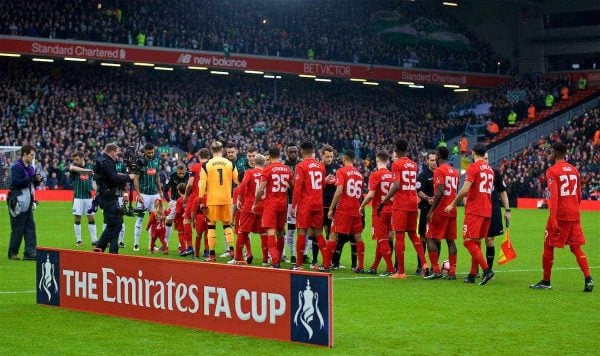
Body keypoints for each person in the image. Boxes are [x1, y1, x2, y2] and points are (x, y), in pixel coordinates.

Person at [530, 142, 594, 292]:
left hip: (560, 214)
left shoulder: (552, 171)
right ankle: (588, 278)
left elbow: (554, 197)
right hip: (574, 213)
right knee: (576, 247)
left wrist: (553, 218)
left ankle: (546, 281)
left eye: (551, 151)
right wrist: (575, 210)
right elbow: (579, 195)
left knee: (548, 245)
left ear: (555, 153)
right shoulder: (574, 170)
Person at [445, 143, 495, 285]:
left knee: (467, 241)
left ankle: (486, 270)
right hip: (487, 210)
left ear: (473, 152)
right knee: (477, 241)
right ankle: (472, 274)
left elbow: (465, 189)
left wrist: (452, 203)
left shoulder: (473, 167)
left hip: (475, 209)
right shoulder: (490, 170)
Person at [379, 139, 429, 279]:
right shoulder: (413, 164)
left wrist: (385, 199)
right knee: (413, 235)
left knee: (399, 236)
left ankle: (400, 272)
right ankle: (424, 264)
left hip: (401, 204)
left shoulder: (397, 164)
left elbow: (396, 185)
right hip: (413, 202)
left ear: (396, 150)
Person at [322, 150, 365, 273]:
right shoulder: (359, 174)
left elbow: (340, 191)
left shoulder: (341, 171)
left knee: (333, 234)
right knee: (358, 236)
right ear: (353, 160)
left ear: (344, 159)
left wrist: (331, 208)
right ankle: (360, 266)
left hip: (344, 209)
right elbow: (360, 194)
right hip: (356, 208)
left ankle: (326, 265)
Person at [290, 141, 328, 270]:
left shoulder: (300, 166)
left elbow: (297, 188)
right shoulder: (321, 166)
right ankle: (326, 264)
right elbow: (323, 185)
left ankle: (299, 264)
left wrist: (294, 206)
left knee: (301, 231)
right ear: (313, 151)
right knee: (318, 232)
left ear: (301, 151)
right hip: (318, 203)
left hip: (305, 204)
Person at [253, 146, 293, 268]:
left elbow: (261, 189)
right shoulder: (287, 169)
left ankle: (275, 261)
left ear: (269, 157)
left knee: (271, 232)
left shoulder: (268, 169)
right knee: (280, 232)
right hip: (283, 204)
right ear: (280, 155)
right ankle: (279, 258)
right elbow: (293, 187)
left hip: (271, 204)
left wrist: (255, 202)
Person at [199, 141, 239, 261]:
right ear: (222, 150)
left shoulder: (206, 165)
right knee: (227, 225)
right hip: (227, 199)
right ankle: (232, 250)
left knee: (211, 227)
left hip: (212, 199)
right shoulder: (230, 163)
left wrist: (201, 199)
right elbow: (237, 180)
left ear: (212, 150)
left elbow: (202, 185)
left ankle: (212, 255)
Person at [94, 143, 135, 254]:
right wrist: (127, 177)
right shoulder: (106, 162)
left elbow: (108, 177)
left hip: (105, 195)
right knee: (115, 224)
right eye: (117, 153)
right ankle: (101, 247)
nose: (117, 156)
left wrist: (119, 176)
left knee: (115, 223)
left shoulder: (101, 160)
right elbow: (113, 178)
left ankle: (110, 250)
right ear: (112, 152)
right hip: (109, 197)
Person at [424, 146, 459, 280]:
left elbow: (440, 191)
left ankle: (436, 270)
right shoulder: (455, 172)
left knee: (430, 237)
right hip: (452, 209)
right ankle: (452, 272)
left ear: (438, 156)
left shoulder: (439, 170)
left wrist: (431, 211)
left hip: (441, 210)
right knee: (450, 241)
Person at [359, 150, 395, 277]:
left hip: (379, 211)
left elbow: (371, 194)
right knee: (384, 239)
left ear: (377, 160)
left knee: (382, 239)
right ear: (388, 161)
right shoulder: (392, 175)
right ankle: (374, 266)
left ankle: (391, 269)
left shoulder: (375, 174)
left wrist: (362, 205)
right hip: (392, 210)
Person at [8, 145, 42, 260]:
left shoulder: (31, 168)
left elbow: (31, 185)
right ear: (25, 154)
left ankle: (30, 252)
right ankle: (13, 253)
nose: (33, 157)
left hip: (27, 203)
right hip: (17, 202)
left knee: (30, 228)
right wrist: (30, 178)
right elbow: (16, 183)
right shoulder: (17, 167)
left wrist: (37, 181)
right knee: (18, 228)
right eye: (31, 155)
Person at [234, 154, 268, 265]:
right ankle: (265, 260)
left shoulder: (249, 172)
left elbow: (243, 184)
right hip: (263, 207)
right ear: (264, 163)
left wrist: (239, 198)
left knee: (243, 231)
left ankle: (238, 258)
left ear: (254, 162)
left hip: (249, 206)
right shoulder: (267, 173)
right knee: (264, 234)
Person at [133, 143, 164, 251]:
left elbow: (157, 176)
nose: (151, 154)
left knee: (154, 220)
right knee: (140, 219)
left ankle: (152, 244)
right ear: (144, 151)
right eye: (149, 152)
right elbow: (136, 178)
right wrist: (138, 194)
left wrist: (160, 190)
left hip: (155, 194)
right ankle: (136, 244)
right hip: (144, 195)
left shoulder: (156, 161)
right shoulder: (140, 162)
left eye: (152, 152)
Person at [484, 153, 511, 269]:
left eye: (486, 158)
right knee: (474, 240)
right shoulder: (474, 172)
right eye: (483, 158)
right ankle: (474, 271)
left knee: (489, 240)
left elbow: (502, 191)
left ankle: (488, 269)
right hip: (478, 211)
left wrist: (507, 210)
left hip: (493, 210)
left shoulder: (495, 173)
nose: (485, 161)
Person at [184, 148, 210, 257]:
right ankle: (207, 250)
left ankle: (190, 246)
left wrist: (185, 196)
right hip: (208, 198)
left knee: (187, 219)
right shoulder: (211, 167)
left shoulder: (194, 167)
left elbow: (190, 184)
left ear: (199, 156)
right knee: (208, 224)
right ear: (209, 157)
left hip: (195, 197)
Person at [317, 145, 339, 268]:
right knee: (316, 232)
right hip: (320, 205)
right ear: (322, 156)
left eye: (331, 156)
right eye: (327, 156)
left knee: (332, 233)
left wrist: (336, 182)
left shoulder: (336, 168)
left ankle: (331, 261)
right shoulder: (318, 168)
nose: (329, 159)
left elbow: (341, 186)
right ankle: (317, 259)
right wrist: (324, 181)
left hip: (332, 206)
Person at [69, 151, 97, 247]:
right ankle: (79, 240)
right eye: (74, 160)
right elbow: (71, 167)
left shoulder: (91, 167)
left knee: (91, 217)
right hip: (78, 197)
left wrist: (95, 187)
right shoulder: (75, 168)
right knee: (77, 218)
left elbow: (95, 179)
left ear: (82, 158)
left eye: (77, 159)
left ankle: (94, 240)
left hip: (88, 197)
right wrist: (85, 171)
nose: (75, 161)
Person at [416, 151, 437, 276]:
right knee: (423, 237)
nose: (434, 162)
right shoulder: (423, 175)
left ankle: (436, 267)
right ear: (427, 161)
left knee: (437, 238)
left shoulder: (440, 173)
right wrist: (427, 198)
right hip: (425, 209)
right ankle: (420, 265)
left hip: (438, 211)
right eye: (431, 160)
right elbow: (418, 190)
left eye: (435, 160)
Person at [163, 163, 189, 245]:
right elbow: (165, 191)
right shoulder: (171, 176)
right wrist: (169, 201)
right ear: (176, 171)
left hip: (186, 201)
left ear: (185, 171)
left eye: (183, 173)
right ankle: (165, 244)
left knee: (185, 222)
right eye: (179, 173)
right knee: (168, 221)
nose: (181, 175)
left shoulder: (189, 176)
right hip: (174, 201)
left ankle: (181, 245)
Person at [283, 144, 299, 263]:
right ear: (286, 153)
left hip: (301, 202)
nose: (293, 154)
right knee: (291, 229)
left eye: (295, 152)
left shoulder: (301, 165)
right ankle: (292, 254)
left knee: (305, 228)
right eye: (291, 152)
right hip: (288, 201)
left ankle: (303, 254)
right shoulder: (284, 167)